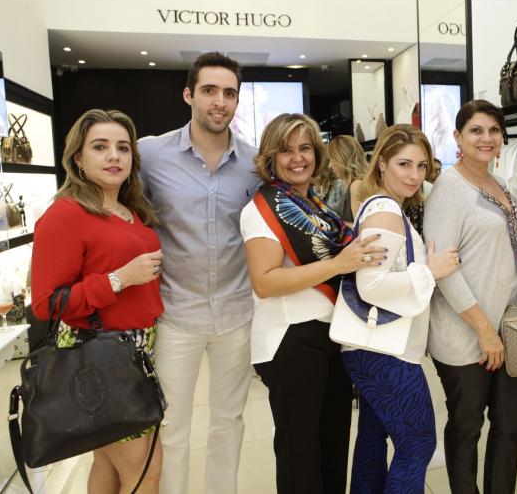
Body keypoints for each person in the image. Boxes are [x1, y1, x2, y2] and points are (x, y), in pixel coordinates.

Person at [240, 113, 386, 494]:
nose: (297, 158)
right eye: (285, 150)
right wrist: (338, 264)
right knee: (301, 458)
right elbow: (265, 282)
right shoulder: (263, 208)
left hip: (331, 337)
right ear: (270, 157)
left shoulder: (315, 206)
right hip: (291, 341)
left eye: (305, 148)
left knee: (332, 449)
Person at [138, 52, 261, 494]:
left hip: (237, 312)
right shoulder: (150, 154)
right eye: (209, 90)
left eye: (229, 93)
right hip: (176, 314)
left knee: (229, 420)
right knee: (172, 425)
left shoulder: (255, 163)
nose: (219, 102)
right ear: (189, 94)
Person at [32, 109, 163, 493]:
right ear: (78, 157)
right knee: (146, 471)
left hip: (136, 349)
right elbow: (46, 304)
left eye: (123, 148)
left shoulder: (133, 211)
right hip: (101, 353)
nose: (114, 156)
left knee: (108, 463)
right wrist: (119, 279)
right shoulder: (65, 214)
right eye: (100, 147)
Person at [343, 124, 459, 493]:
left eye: (422, 166)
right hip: (386, 352)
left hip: (372, 348)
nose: (414, 176)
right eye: (404, 164)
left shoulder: (383, 207)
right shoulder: (386, 211)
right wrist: (431, 271)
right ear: (382, 164)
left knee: (372, 437)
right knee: (418, 443)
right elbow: (371, 285)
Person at [424, 99, 517, 493]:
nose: (486, 138)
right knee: (467, 426)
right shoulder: (449, 189)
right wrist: (485, 331)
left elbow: (502, 251)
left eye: (493, 131)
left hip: (509, 331)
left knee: (512, 422)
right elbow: (444, 271)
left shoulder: (499, 183)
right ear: (458, 136)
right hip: (465, 334)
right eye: (476, 130)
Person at [324, 133, 369, 221]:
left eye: (332, 160)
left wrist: (335, 224)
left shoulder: (356, 185)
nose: (329, 165)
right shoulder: (355, 184)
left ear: (342, 158)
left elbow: (361, 226)